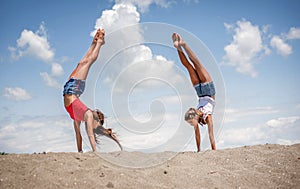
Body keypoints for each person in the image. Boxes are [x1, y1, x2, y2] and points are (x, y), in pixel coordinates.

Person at [63, 29, 122, 152]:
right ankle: (99, 42)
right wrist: (95, 151)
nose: (94, 126)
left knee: (82, 62)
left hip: (69, 88)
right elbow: (89, 135)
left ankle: (95, 42)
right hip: (75, 88)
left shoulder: (80, 117)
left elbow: (79, 135)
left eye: (98, 125)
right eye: (98, 123)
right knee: (88, 62)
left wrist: (80, 151)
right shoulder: (88, 114)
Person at [172, 33, 216, 152]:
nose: (192, 125)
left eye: (192, 123)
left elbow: (210, 134)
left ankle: (182, 45)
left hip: (207, 90)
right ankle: (179, 46)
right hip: (200, 92)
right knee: (191, 65)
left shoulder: (208, 117)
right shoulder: (199, 116)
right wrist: (199, 150)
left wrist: (212, 150)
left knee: (195, 64)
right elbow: (202, 135)